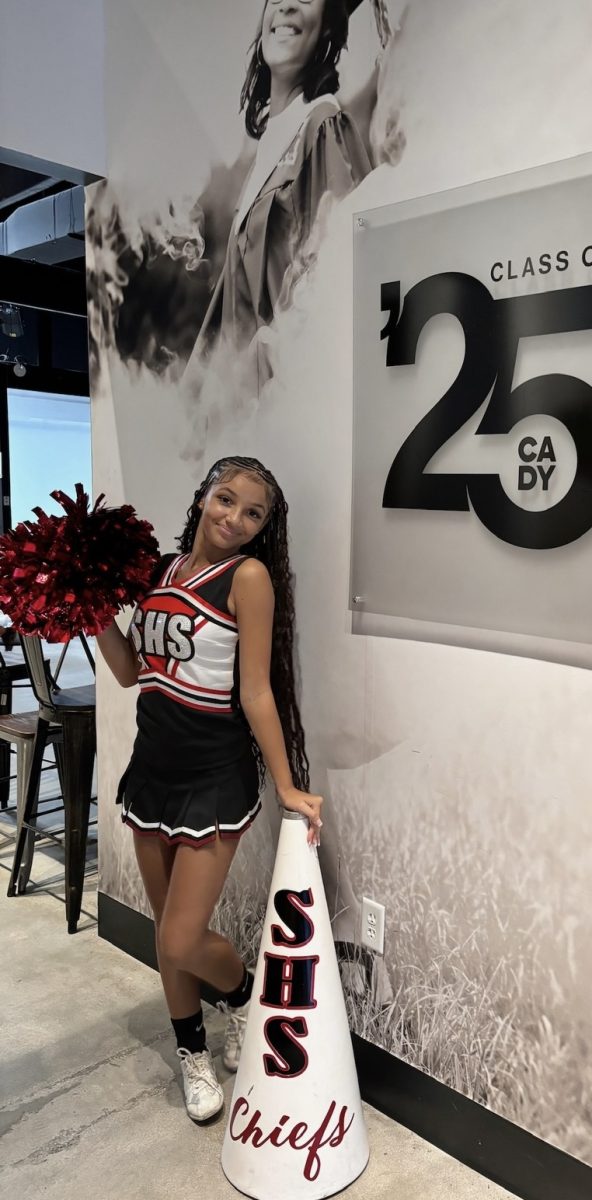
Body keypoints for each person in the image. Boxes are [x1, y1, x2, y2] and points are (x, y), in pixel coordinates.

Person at [97, 455, 323, 1123]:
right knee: (171, 933)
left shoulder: (246, 578)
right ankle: (191, 1051)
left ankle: (245, 995)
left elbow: (254, 690)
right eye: (226, 500)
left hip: (213, 777)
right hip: (152, 774)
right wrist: (90, 617)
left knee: (177, 939)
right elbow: (132, 672)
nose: (235, 519)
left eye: (253, 514)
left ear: (262, 530)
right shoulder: (159, 574)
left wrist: (287, 784)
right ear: (202, 498)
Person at [189, 0, 374, 369]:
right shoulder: (270, 147)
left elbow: (345, 274)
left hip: (286, 399)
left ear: (326, 26)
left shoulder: (323, 127)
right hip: (243, 406)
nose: (286, 6)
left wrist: (272, 349)